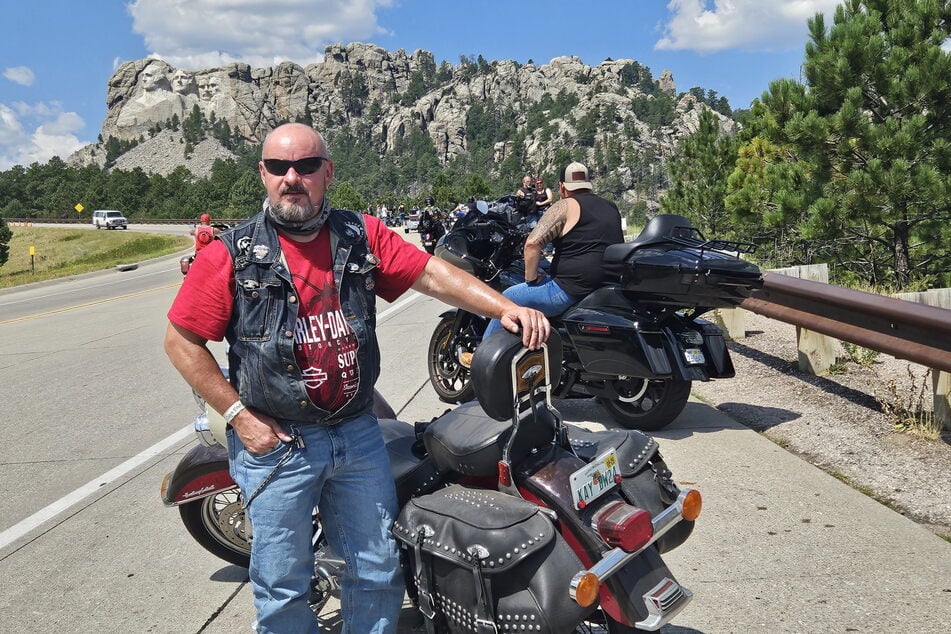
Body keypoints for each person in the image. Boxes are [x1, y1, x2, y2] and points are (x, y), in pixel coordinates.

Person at [163, 122, 549, 634]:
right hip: (278, 442)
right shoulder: (233, 254)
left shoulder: (359, 235)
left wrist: (505, 308)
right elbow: (181, 341)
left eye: (305, 166)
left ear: (328, 172)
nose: (291, 178)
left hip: (356, 431)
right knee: (282, 584)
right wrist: (238, 415)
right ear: (263, 174)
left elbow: (432, 274)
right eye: (278, 167)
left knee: (376, 569)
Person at [483, 161, 623, 339]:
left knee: (508, 298)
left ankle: (481, 358)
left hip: (572, 289)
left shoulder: (565, 205)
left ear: (562, 187)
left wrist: (531, 278)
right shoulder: (610, 206)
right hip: (609, 284)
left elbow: (532, 244)